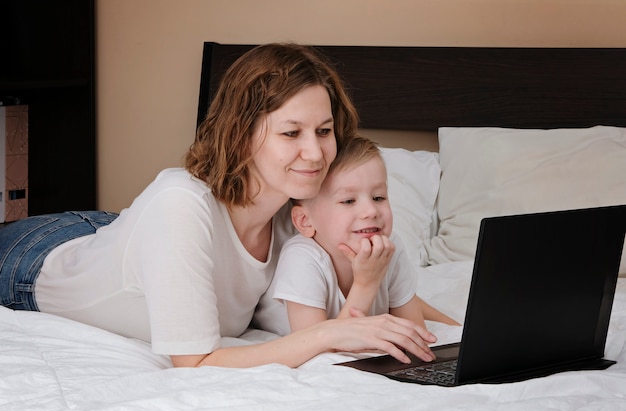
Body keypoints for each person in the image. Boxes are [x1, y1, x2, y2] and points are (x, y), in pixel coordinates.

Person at [0, 42, 437, 368]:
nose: (316, 152)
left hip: (115, 231)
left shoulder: (299, 207)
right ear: (242, 133)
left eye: (324, 131)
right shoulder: (181, 206)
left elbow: (387, 296)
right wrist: (330, 335)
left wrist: (462, 326)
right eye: (291, 133)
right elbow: (194, 365)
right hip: (35, 258)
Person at [256, 136, 459, 337]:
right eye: (348, 201)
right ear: (305, 221)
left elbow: (416, 332)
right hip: (312, 340)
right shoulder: (301, 259)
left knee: (453, 326)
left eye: (378, 197)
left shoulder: (390, 246)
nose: (370, 211)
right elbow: (316, 349)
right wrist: (366, 283)